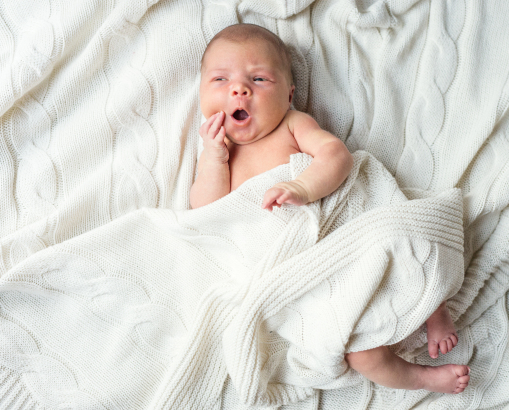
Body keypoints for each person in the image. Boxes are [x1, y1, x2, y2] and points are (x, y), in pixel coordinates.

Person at [190, 23, 470, 394]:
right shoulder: (217, 152)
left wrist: (303, 185)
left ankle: (435, 311)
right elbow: (208, 211)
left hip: (337, 231)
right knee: (360, 353)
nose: (239, 89)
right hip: (300, 270)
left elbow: (335, 155)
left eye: (259, 79)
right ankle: (420, 378)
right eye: (220, 79)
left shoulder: (291, 125)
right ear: (201, 95)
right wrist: (214, 157)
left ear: (289, 94)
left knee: (405, 253)